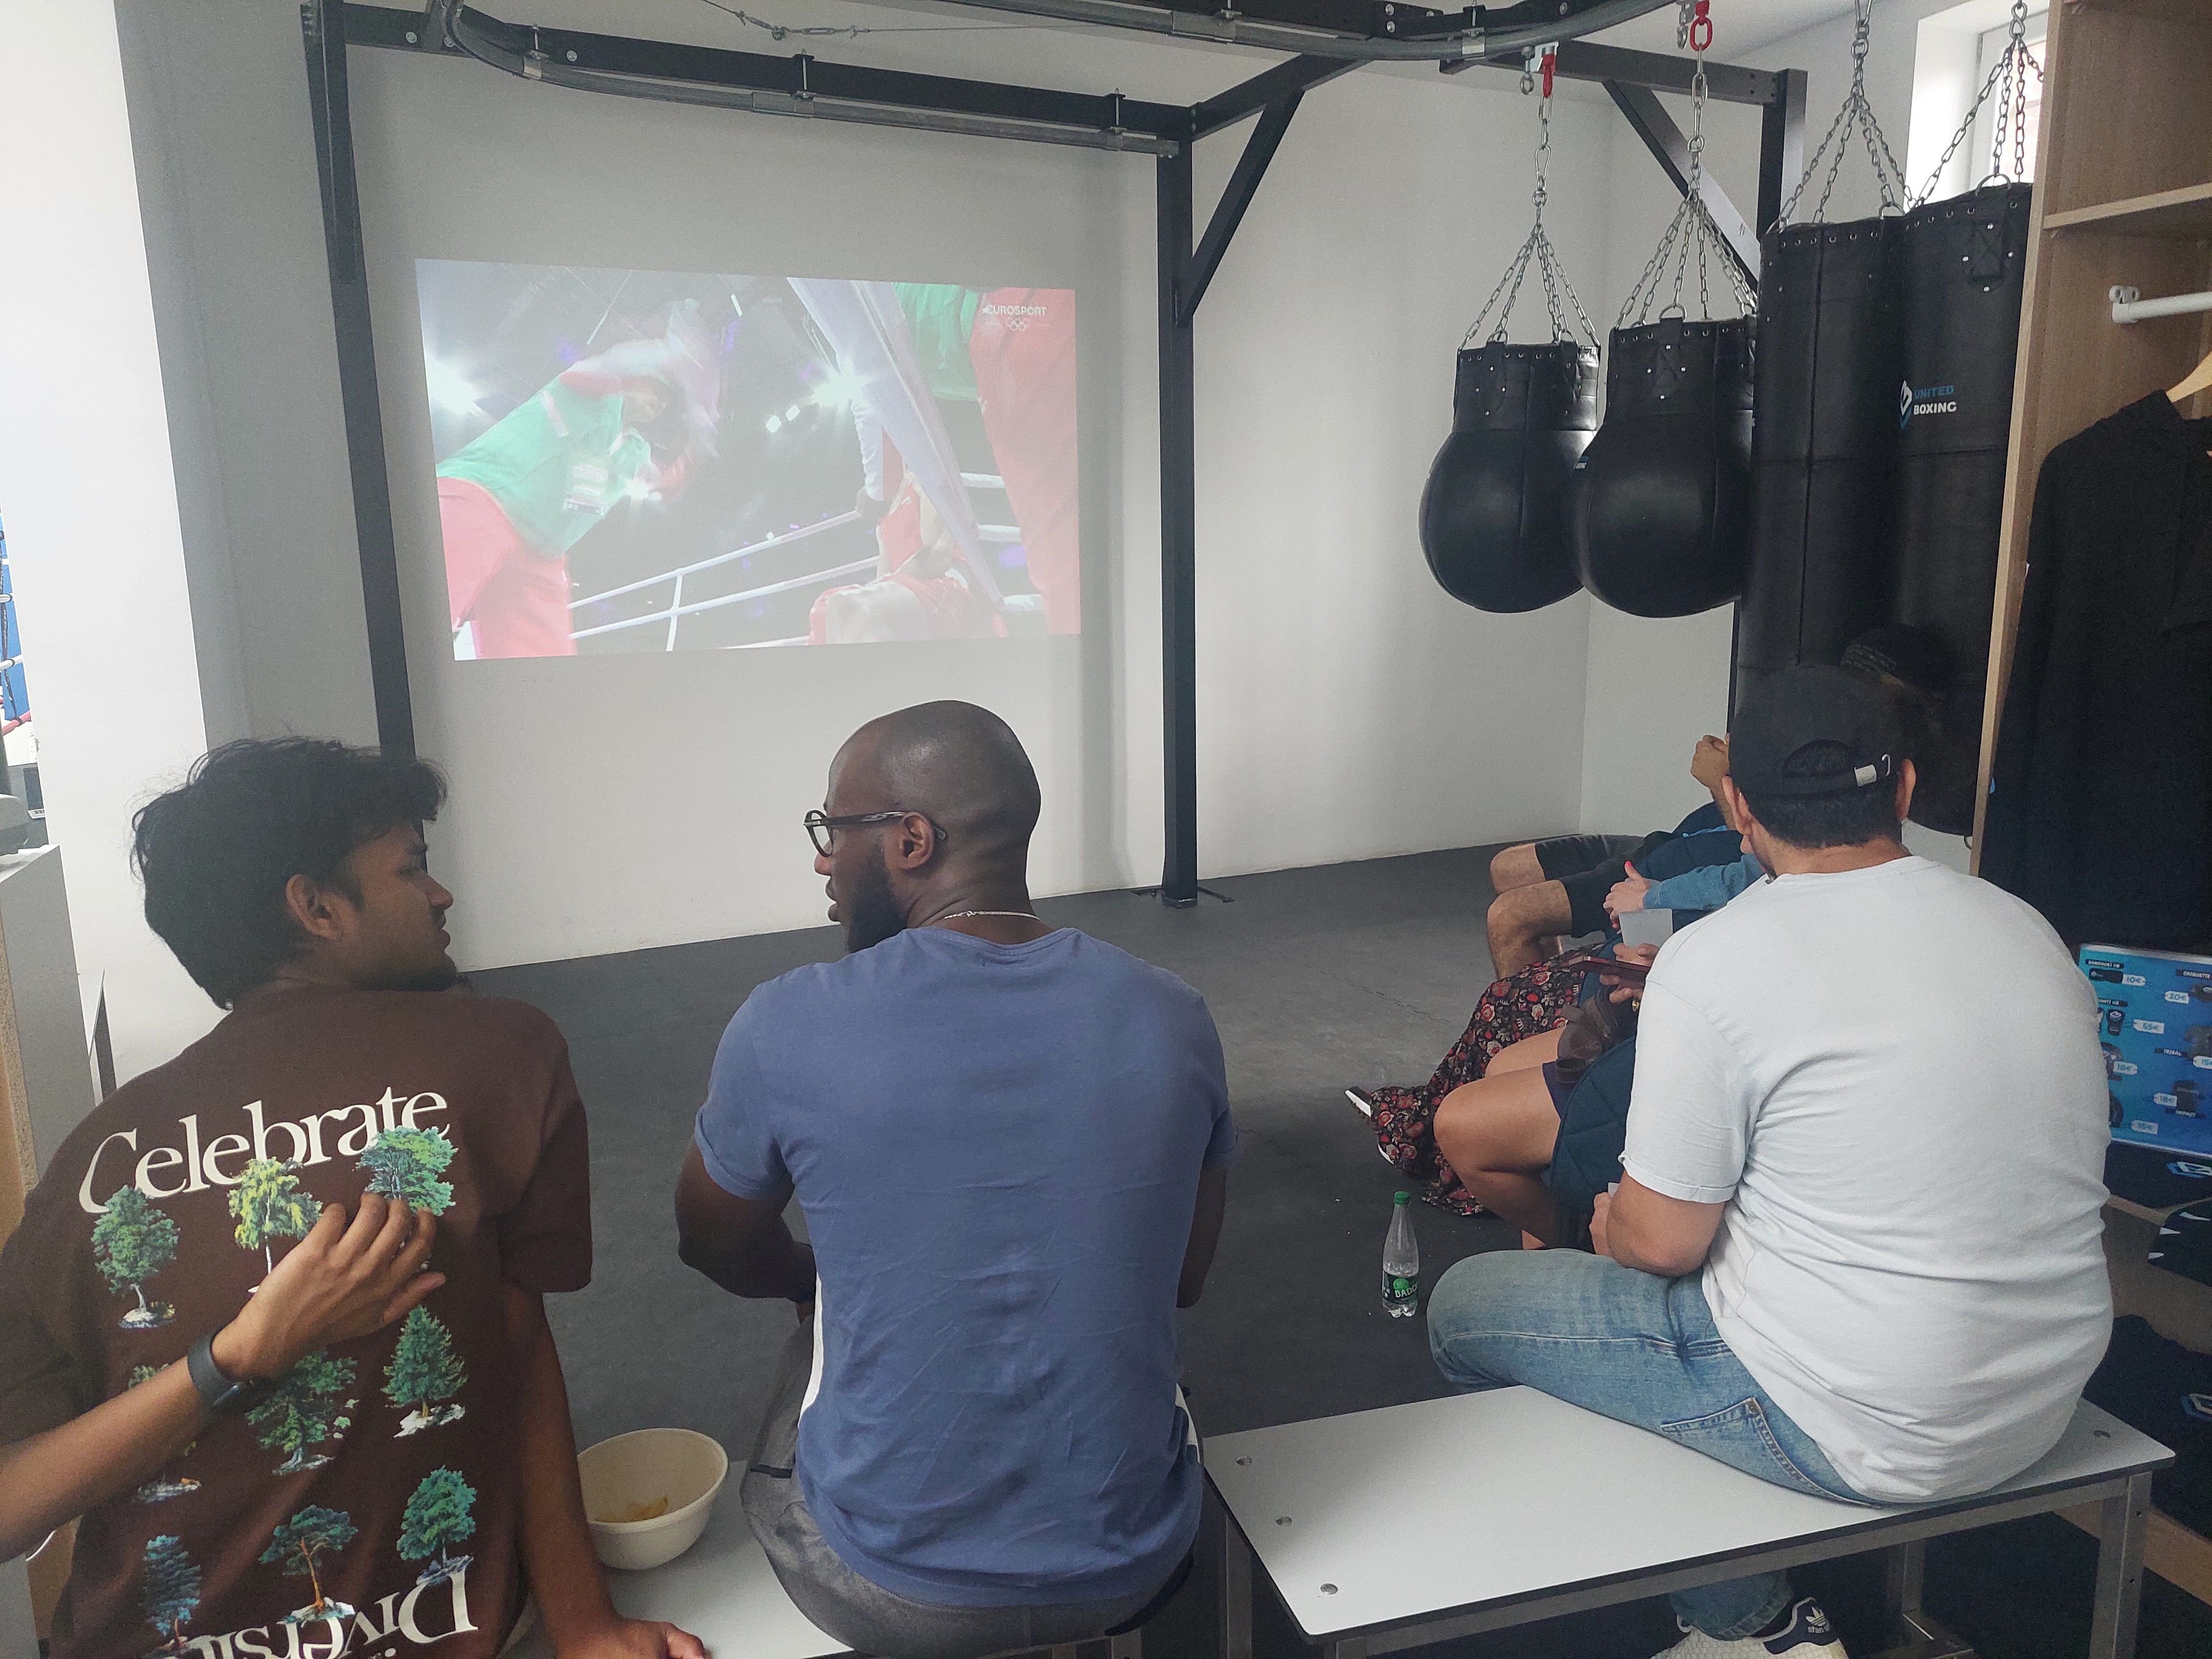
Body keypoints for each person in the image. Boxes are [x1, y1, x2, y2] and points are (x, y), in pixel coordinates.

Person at [1425, 667, 2112, 1659]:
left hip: (1865, 1426)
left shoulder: (1722, 958)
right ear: (1907, 790)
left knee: (1469, 1310)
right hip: (2041, 1395)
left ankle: (1744, 1621)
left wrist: (1612, 1224)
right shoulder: (2025, 928)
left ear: (1738, 808)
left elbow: (1657, 1245)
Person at [0, 739, 700, 1659]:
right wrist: (242, 1353)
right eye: (412, 867)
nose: (440, 893)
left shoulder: (94, 1159)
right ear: (315, 906)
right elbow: (520, 1338)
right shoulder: (499, 1051)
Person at [673, 702, 1232, 1659]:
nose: (821, 862)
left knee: (820, 1338)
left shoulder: (786, 1023)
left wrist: (814, 1284)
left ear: (909, 840)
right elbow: (1177, 1279)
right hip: (1138, 1567)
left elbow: (712, 1239)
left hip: (882, 1589)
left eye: (831, 833)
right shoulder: (1171, 1014)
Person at [437, 310, 718, 660]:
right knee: (421, 619)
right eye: (654, 388)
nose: (660, 402)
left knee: (546, 668)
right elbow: (613, 362)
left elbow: (661, 484)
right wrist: (672, 351)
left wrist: (698, 446)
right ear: (630, 379)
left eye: (666, 400)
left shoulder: (635, 451)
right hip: (483, 500)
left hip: (542, 556)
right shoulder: (585, 391)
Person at [1485, 736, 1740, 975]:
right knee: (1508, 868)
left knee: (1508, 916)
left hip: (1674, 869)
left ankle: (1534, 1015)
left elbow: (1752, 849)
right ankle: (1547, 983)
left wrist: (1720, 781)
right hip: (1671, 841)